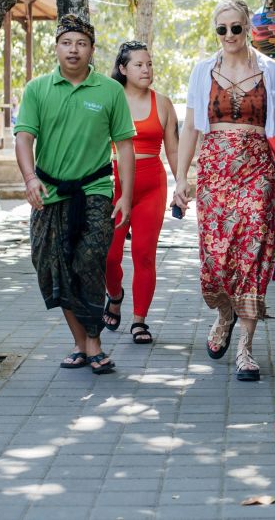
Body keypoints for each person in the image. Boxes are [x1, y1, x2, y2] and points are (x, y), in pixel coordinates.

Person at [173, 0, 275, 381]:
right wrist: (181, 178)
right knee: (215, 259)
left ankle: (246, 348)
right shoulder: (203, 71)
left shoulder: (270, 70)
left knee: (253, 255)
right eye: (222, 28)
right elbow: (190, 127)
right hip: (214, 171)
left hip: (256, 171)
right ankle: (224, 312)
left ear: (247, 27)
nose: (229, 35)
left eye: (236, 27)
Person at [14, 14, 136, 375]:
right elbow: (24, 137)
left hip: (95, 191)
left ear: (92, 49)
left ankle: (93, 343)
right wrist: (29, 179)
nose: (73, 49)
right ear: (56, 47)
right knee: (52, 268)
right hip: (48, 193)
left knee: (88, 262)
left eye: (81, 43)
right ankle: (81, 343)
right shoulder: (37, 89)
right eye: (66, 42)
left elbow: (124, 147)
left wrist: (125, 196)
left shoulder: (110, 91)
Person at [104, 41, 179, 344]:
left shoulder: (163, 103)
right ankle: (115, 295)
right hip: (113, 184)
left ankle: (139, 320)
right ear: (123, 69)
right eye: (138, 64)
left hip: (151, 185)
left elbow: (173, 149)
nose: (146, 69)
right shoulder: (109, 99)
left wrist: (181, 184)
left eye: (149, 64)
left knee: (144, 254)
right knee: (109, 256)